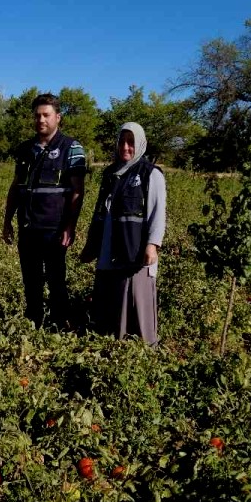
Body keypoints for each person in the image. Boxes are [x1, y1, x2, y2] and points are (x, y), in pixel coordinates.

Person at [2, 93, 87, 329]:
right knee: (31, 280)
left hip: (55, 228)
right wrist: (7, 220)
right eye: (37, 115)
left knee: (56, 278)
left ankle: (60, 323)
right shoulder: (25, 149)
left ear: (57, 117)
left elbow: (78, 191)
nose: (41, 120)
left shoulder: (72, 147)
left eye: (46, 115)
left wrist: (70, 226)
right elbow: (16, 186)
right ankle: (34, 323)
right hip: (28, 226)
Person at [79, 122, 166, 346]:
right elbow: (100, 212)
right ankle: (111, 343)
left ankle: (143, 348)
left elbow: (158, 211)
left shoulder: (150, 173)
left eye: (131, 142)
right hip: (109, 247)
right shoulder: (110, 173)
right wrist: (91, 245)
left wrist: (152, 244)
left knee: (136, 297)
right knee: (108, 297)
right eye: (122, 141)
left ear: (140, 144)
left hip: (133, 249)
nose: (126, 147)